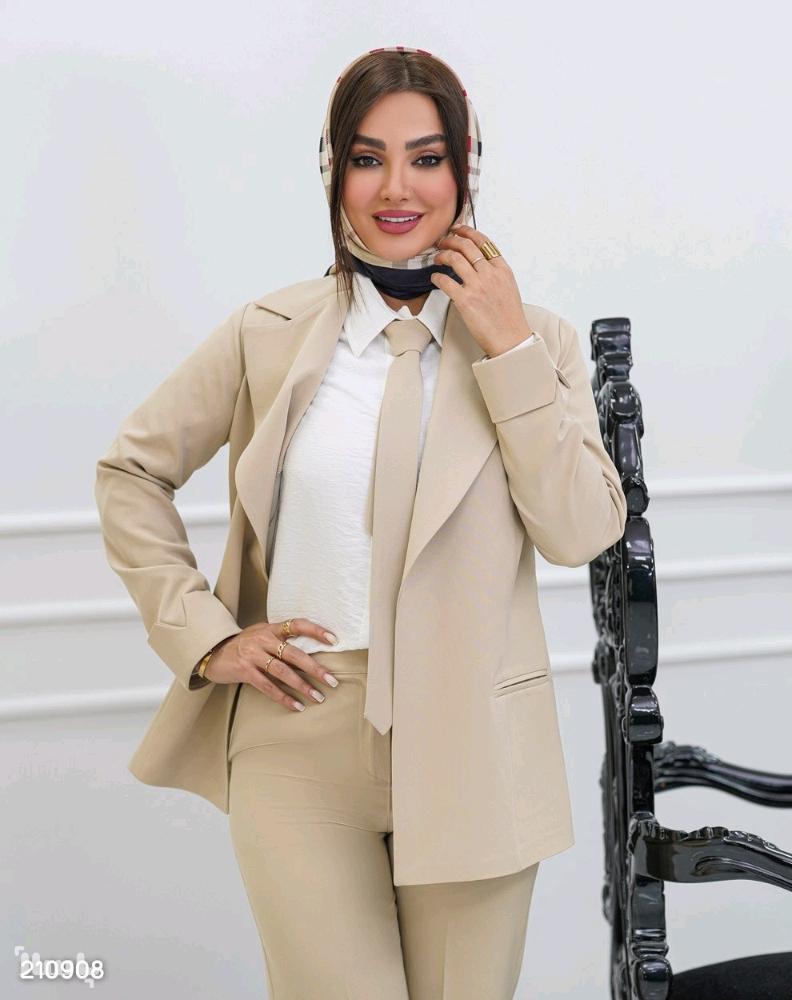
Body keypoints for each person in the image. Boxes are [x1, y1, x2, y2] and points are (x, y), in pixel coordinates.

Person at [95, 45, 627, 999]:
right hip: (297, 733)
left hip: (475, 744)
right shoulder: (268, 331)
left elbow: (581, 530)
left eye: (426, 158)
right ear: (333, 171)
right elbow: (131, 471)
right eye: (366, 158)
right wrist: (208, 636)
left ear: (465, 168)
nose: (396, 188)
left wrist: (505, 345)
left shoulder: (534, 338)